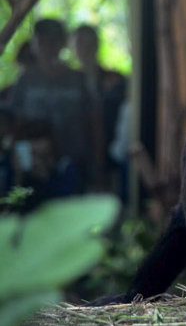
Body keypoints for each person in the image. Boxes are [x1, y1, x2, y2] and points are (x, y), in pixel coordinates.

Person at [11, 19, 100, 192]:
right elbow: (17, 125)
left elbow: (95, 123)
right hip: (35, 170)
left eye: (53, 41)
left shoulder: (78, 81)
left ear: (62, 44)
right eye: (41, 42)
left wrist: (98, 167)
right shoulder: (25, 82)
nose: (47, 48)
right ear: (34, 45)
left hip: (75, 166)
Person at [73, 25, 126, 188]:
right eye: (79, 43)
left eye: (89, 43)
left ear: (96, 45)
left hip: (111, 158)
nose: (84, 49)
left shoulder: (115, 80)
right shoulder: (69, 83)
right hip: (79, 158)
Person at [12, 119, 77, 212]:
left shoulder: (64, 166)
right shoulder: (21, 167)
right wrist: (18, 179)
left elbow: (68, 200)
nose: (34, 145)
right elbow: (11, 207)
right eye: (30, 140)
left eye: (38, 139)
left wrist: (45, 178)